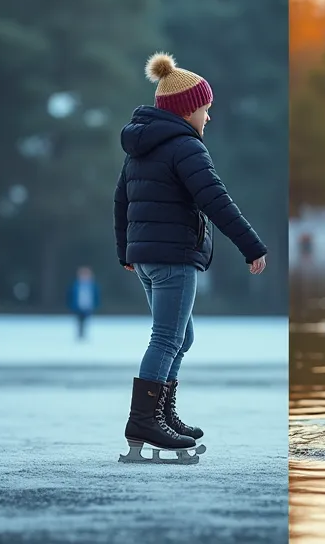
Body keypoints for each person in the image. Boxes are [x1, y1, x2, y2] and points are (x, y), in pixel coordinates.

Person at [114, 52, 269, 456]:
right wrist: (251, 245)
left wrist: (126, 252)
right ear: (186, 110)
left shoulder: (141, 147)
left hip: (147, 259)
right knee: (167, 337)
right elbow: (216, 200)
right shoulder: (186, 148)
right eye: (205, 109)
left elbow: (121, 202)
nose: (208, 118)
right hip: (173, 258)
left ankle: (161, 415)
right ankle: (145, 420)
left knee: (182, 336)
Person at [66, 266, 100, 341]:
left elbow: (96, 296)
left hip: (88, 306)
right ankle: (80, 334)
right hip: (78, 306)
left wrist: (95, 304)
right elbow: (71, 295)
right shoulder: (76, 285)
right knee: (79, 320)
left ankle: (83, 334)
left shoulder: (92, 286)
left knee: (85, 320)